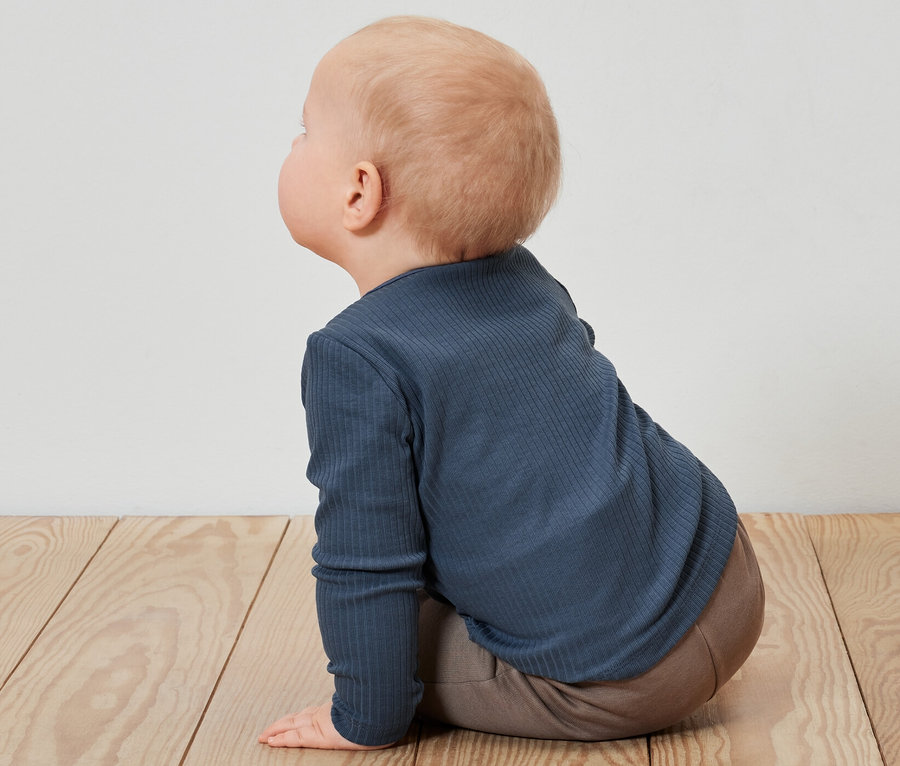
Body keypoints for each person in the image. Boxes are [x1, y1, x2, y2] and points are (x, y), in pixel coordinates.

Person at [259, 15, 765, 751]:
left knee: (392, 629)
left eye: (302, 131)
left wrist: (364, 716)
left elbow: (365, 558)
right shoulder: (526, 281)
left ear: (359, 193)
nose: (292, 145)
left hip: (617, 681)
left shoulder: (354, 357)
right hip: (723, 575)